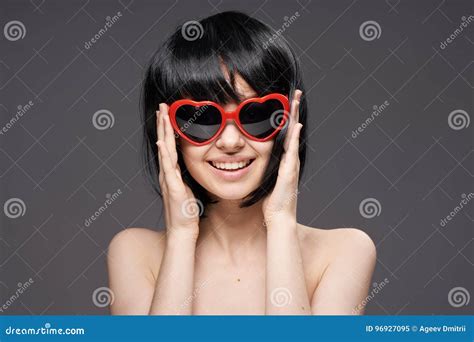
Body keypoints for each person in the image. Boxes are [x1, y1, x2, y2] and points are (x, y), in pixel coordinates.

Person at [107, 10, 376, 315]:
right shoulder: (133, 253)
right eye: (203, 119)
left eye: (255, 114)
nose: (231, 142)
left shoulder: (345, 251)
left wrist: (280, 223)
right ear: (168, 131)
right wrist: (181, 234)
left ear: (287, 123)